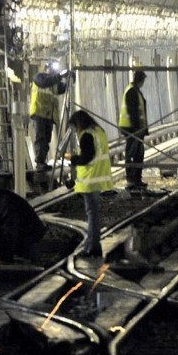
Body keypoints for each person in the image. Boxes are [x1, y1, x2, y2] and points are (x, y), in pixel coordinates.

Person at [66, 110, 114, 258]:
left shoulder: (86, 135)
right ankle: (94, 246)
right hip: (99, 177)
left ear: (78, 124)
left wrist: (72, 157)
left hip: (90, 180)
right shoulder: (99, 131)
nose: (75, 131)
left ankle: (92, 247)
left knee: (92, 214)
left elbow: (86, 158)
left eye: (74, 127)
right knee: (94, 213)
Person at [0, 187, 46, 262]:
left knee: (32, 259)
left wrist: (5, 257)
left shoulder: (6, 204)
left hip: (29, 234)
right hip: (26, 232)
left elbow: (10, 230)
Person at [29, 63, 69, 170]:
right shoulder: (39, 77)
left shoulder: (54, 83)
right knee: (40, 138)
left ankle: (43, 162)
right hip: (39, 112)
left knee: (46, 139)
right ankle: (39, 162)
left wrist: (70, 78)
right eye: (52, 68)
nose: (53, 71)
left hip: (48, 115)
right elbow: (45, 82)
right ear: (46, 68)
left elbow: (63, 87)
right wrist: (61, 75)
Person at [118, 69, 149, 192]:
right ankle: (131, 179)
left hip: (137, 129)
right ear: (140, 80)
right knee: (132, 153)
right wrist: (137, 129)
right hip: (132, 129)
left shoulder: (135, 90)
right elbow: (133, 112)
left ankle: (137, 179)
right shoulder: (132, 91)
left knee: (138, 153)